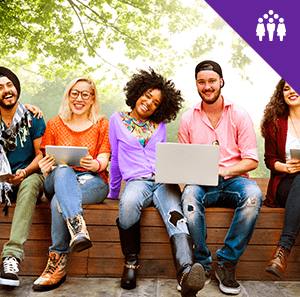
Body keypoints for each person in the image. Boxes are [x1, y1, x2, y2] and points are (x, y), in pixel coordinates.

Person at [109, 68, 205, 297]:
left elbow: (164, 156)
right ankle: (131, 263)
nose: (149, 103)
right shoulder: (117, 120)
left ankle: (186, 273)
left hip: (163, 181)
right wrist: (113, 192)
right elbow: (114, 158)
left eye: (155, 102)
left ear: (160, 107)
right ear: (138, 92)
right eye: (147, 96)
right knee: (129, 202)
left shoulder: (159, 126)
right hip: (137, 181)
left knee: (177, 216)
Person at [178, 60, 262, 295]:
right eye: (201, 82)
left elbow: (252, 160)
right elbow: (185, 162)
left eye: (212, 81)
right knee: (190, 195)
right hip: (203, 184)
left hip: (234, 180)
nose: (207, 86)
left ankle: (226, 263)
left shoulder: (240, 114)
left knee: (254, 194)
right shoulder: (187, 119)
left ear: (221, 81)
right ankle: (202, 265)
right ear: (196, 84)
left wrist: (224, 170)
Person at [32, 76, 110, 291]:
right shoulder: (55, 124)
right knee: (63, 169)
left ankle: (56, 265)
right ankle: (78, 229)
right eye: (74, 93)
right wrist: (45, 167)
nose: (79, 98)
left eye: (85, 94)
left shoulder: (102, 124)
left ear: (92, 98)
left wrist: (94, 165)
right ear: (68, 96)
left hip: (92, 182)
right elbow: (45, 159)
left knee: (60, 199)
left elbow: (103, 160)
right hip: (56, 179)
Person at [0, 67, 46, 287]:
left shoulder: (32, 117)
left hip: (28, 177)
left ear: (16, 88)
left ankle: (11, 257)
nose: (6, 90)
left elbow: (41, 155)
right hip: (1, 183)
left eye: (9, 85)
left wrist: (25, 171)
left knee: (31, 182)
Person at [261, 79, 300, 279]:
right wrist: (284, 166)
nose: (291, 91)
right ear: (281, 94)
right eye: (286, 88)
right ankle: (282, 250)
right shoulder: (275, 123)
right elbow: (269, 159)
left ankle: (281, 253)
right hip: (285, 183)